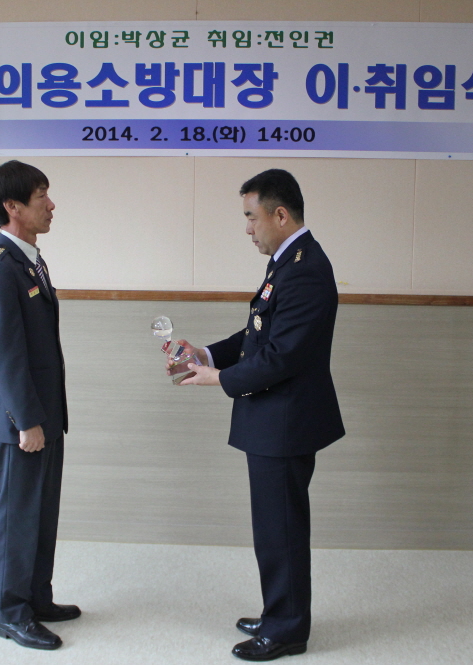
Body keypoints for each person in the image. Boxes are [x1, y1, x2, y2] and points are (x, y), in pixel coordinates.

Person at [170, 169, 345, 661]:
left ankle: (286, 629)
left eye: (251, 217)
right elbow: (257, 335)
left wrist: (217, 378)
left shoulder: (305, 268)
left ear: (280, 214)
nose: (247, 229)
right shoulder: (287, 261)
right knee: (273, 528)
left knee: (280, 529)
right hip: (273, 419)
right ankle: (278, 614)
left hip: (286, 422)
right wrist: (204, 354)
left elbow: (282, 356)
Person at [0, 160, 79, 651]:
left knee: (41, 513)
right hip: (23, 424)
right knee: (17, 517)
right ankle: (11, 614)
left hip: (45, 416)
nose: (51, 205)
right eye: (41, 197)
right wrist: (28, 420)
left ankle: (37, 597)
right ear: (12, 206)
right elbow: (4, 355)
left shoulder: (31, 261)